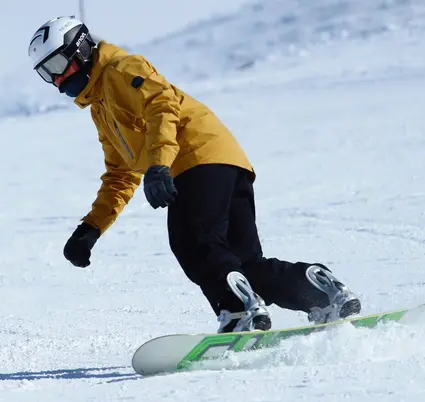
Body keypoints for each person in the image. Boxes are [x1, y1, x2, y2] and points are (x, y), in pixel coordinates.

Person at [28, 16, 360, 332]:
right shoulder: (101, 108)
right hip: (225, 160)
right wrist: (91, 228)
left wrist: (159, 164)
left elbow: (161, 104)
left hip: (195, 159)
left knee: (194, 243)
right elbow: (120, 173)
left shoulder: (121, 68)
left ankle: (239, 311)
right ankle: (320, 291)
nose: (57, 81)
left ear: (82, 48)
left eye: (58, 66)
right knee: (242, 265)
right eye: (47, 74)